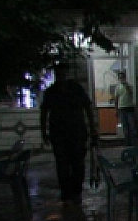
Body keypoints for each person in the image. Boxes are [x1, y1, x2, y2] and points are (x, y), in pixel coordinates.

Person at [40, 66, 96, 204]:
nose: (61, 78)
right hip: (59, 134)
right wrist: (44, 132)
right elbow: (44, 112)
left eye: (63, 74)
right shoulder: (51, 92)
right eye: (59, 75)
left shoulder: (76, 89)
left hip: (77, 133)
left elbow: (88, 108)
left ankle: (76, 192)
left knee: (78, 164)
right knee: (62, 165)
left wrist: (92, 128)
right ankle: (66, 193)